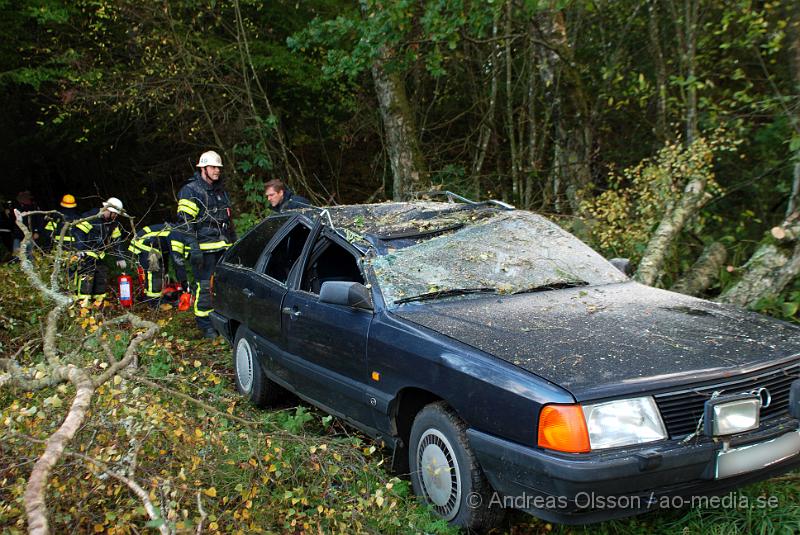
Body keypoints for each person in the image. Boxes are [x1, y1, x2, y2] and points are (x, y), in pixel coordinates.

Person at [176, 150, 235, 338]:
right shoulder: (191, 190)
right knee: (204, 287)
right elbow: (186, 223)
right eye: (213, 167)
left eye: (218, 167)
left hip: (222, 246)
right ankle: (205, 324)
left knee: (222, 285)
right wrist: (194, 248)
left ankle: (219, 320)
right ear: (203, 168)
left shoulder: (220, 191)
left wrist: (234, 243)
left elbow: (228, 221)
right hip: (202, 249)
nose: (217, 170)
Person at [72, 197, 128, 305]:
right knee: (86, 278)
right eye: (114, 214)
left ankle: (98, 303)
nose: (115, 216)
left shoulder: (112, 223)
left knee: (101, 275)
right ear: (108, 210)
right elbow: (79, 233)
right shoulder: (91, 217)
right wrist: (80, 250)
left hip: (99, 255)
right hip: (86, 254)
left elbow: (117, 241)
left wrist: (120, 258)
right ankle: (83, 304)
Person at [127, 222, 188, 306]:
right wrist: (184, 282)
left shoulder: (175, 232)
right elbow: (178, 261)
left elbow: (165, 254)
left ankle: (147, 295)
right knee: (154, 272)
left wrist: (165, 270)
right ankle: (154, 301)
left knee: (154, 272)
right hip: (144, 245)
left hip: (145, 244)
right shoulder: (177, 236)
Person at [12, 190, 43, 259]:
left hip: (30, 235)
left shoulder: (34, 207)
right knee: (17, 255)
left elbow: (39, 221)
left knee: (30, 255)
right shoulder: (16, 208)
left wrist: (37, 231)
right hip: (18, 236)